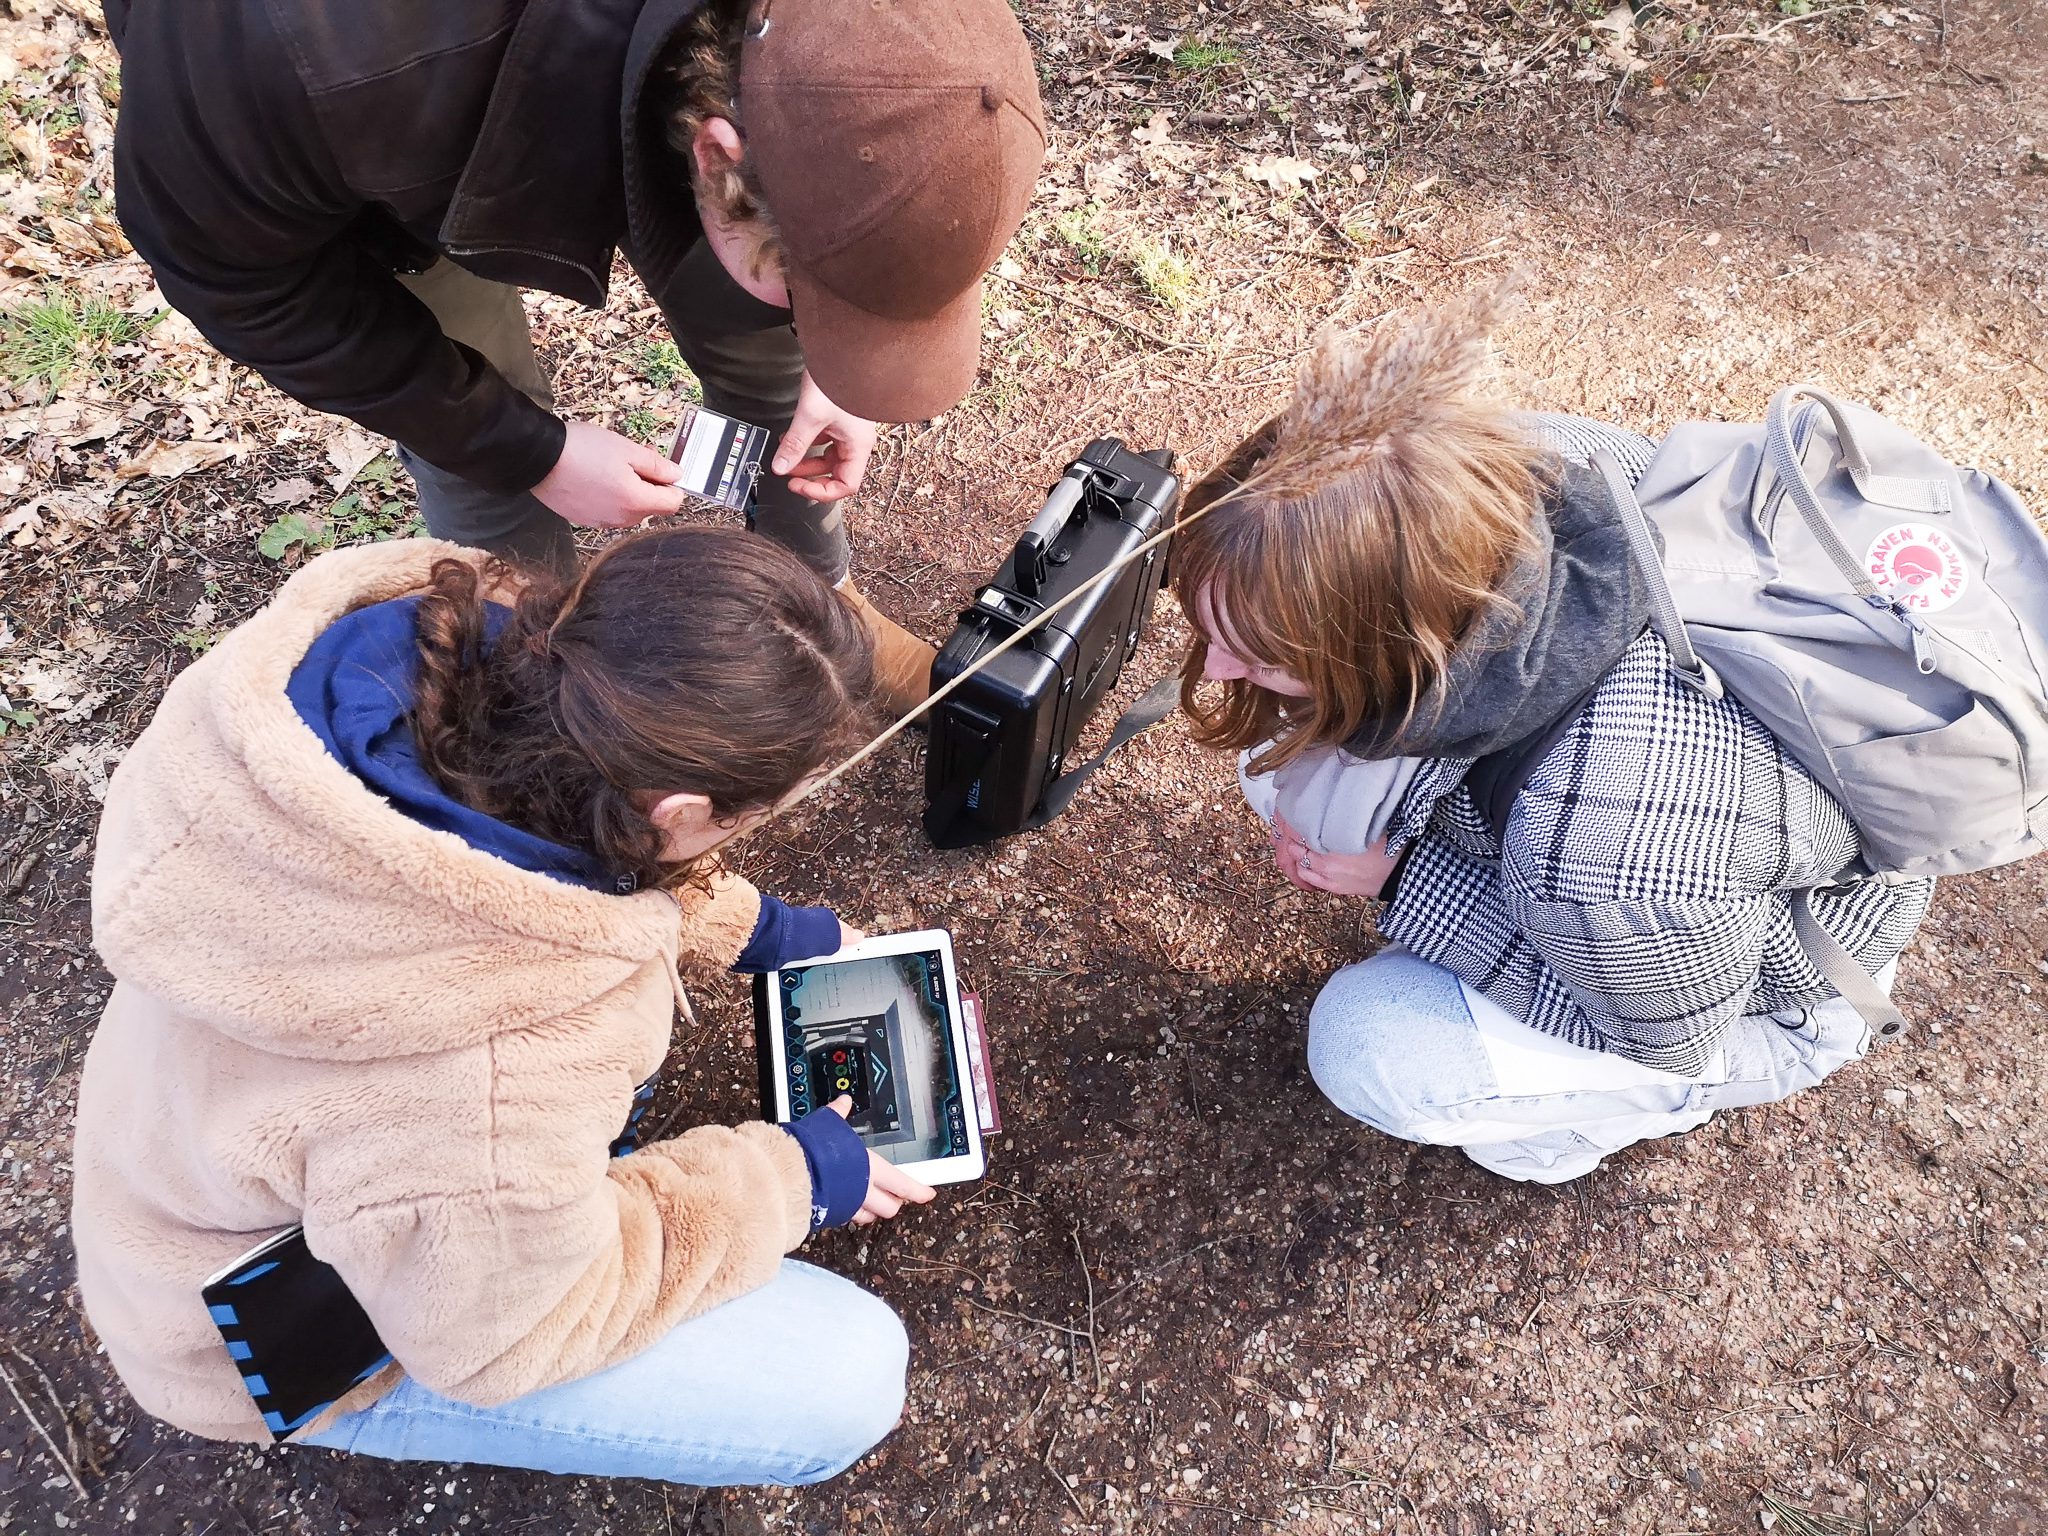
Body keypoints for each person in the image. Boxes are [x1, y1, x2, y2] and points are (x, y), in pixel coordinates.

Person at [71, 525, 937, 1483]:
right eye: (752, 812)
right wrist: (789, 1180)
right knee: (844, 1377)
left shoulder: (434, 664)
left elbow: (545, 833)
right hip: (252, 1336)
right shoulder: (481, 1091)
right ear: (681, 814)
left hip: (186, 1171)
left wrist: (762, 928)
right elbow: (509, 1336)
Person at [1173, 293, 1934, 1183]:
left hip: (1737, 992)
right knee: (1291, 783)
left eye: (1260, 655)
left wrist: (1410, 882)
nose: (1217, 671)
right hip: (1661, 855)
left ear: (1400, 643)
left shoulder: (1607, 858)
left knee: (1371, 1043)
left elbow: (1671, 1031)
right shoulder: (1506, 469)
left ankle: (1568, 1126)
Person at [103, 0, 1048, 712]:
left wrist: (839, 359)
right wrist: (533, 451)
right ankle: (530, 669)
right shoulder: (294, 56)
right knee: (477, 401)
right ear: (718, 159)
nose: (825, 332)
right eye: (815, 292)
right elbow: (247, 285)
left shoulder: (862, 41)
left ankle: (818, 604)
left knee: (764, 335)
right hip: (378, 134)